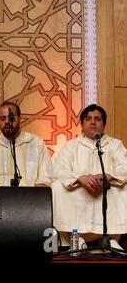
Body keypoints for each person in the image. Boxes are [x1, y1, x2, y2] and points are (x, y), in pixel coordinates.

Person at [52, 104, 127, 249]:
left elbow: (125, 166)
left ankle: (111, 239)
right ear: (82, 124)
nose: (93, 122)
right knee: (57, 187)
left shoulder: (115, 145)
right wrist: (80, 179)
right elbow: (59, 170)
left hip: (106, 190)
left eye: (97, 119)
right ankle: (76, 239)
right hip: (80, 191)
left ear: (104, 125)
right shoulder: (70, 146)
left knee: (124, 187)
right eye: (88, 119)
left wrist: (109, 177)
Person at [0, 101, 52, 187]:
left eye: (11, 118)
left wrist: (38, 191)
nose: (7, 122)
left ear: (19, 118)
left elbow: (45, 177)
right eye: (3, 118)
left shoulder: (36, 143)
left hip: (30, 198)